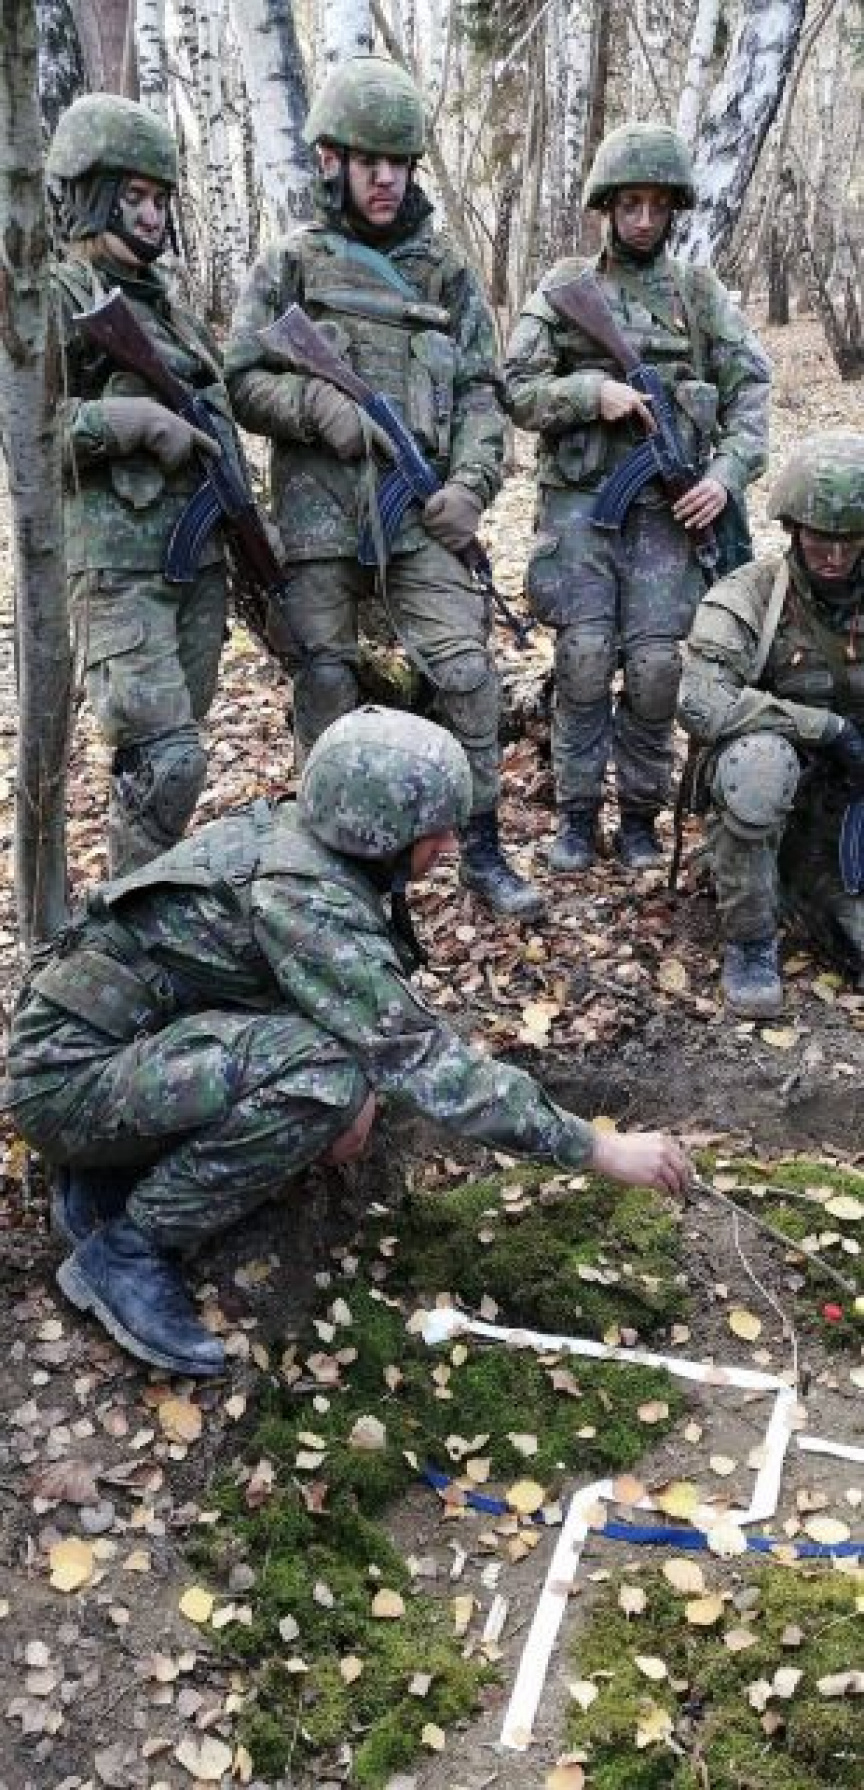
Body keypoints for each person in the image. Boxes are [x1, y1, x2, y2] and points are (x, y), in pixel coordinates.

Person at [2, 710, 689, 1378]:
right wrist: (598, 1149)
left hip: (102, 1057)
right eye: (435, 829)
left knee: (344, 1084)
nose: (450, 845)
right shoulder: (306, 899)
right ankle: (128, 1247)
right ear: (381, 831)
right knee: (326, 1079)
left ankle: (105, 1175)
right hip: (70, 1085)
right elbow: (425, 1061)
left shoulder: (300, 841)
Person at [224, 55, 542, 919]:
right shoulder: (291, 263)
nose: (385, 179)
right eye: (369, 161)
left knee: (467, 672)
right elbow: (240, 379)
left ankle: (480, 845)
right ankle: (326, 864)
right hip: (320, 517)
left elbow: (484, 393)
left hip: (420, 516)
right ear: (332, 160)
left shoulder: (444, 272)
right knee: (325, 679)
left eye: (399, 163)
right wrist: (313, 405)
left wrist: (472, 486)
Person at [503, 123, 769, 873]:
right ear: (607, 208)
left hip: (670, 517)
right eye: (630, 205)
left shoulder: (698, 294)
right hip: (581, 510)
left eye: (657, 205)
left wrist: (723, 477)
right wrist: (593, 392)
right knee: (584, 659)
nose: (644, 220)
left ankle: (642, 819)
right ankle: (576, 817)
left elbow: (752, 392)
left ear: (674, 210)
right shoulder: (566, 289)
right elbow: (515, 388)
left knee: (656, 670)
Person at [45, 94, 239, 874]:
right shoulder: (57, 296)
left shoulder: (173, 313)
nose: (153, 216)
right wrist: (125, 423)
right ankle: (131, 916)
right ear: (92, 193)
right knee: (166, 763)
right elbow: (27, 435)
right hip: (118, 572)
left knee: (170, 765)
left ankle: (147, 898)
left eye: (161, 199)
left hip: (197, 564)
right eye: (135, 196)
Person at [677, 431, 864, 1016]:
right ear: (792, 529)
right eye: (820, 538)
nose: (834, 556)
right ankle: (751, 942)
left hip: (850, 805)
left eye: (850, 540)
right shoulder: (750, 596)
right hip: (776, 788)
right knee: (758, 764)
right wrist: (828, 730)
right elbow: (701, 701)